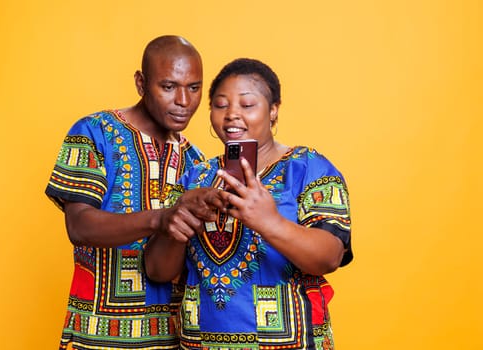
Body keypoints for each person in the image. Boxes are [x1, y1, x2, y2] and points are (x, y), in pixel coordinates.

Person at [144, 58, 353, 350]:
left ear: (273, 111)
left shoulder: (307, 168)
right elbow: (157, 271)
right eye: (220, 105)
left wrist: (270, 222)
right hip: (199, 343)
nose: (231, 115)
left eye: (247, 105)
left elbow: (330, 256)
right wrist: (180, 220)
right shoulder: (195, 176)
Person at [45, 35, 220, 350]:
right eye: (168, 87)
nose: (183, 100)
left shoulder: (195, 161)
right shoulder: (93, 133)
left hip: (172, 339)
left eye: (194, 88)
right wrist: (159, 220)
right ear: (141, 83)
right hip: (97, 335)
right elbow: (79, 226)